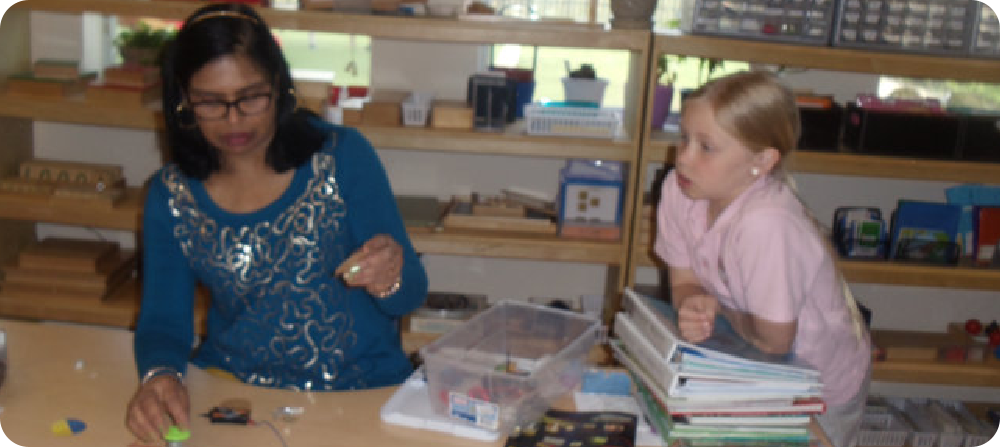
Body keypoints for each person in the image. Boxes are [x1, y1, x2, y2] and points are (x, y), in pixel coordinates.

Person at [125, 3, 428, 443]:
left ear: (281, 89)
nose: (234, 119)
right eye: (210, 102)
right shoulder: (171, 196)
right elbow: (163, 323)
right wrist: (160, 375)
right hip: (236, 397)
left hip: (363, 396)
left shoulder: (341, 156)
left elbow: (411, 294)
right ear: (183, 105)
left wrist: (392, 276)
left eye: (250, 97)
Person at [654, 71, 871, 447]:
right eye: (683, 137)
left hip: (816, 388)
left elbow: (774, 341)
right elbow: (684, 282)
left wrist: (718, 310)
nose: (683, 159)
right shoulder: (678, 189)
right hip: (751, 366)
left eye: (706, 147)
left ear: (762, 160)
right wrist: (692, 303)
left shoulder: (766, 224)